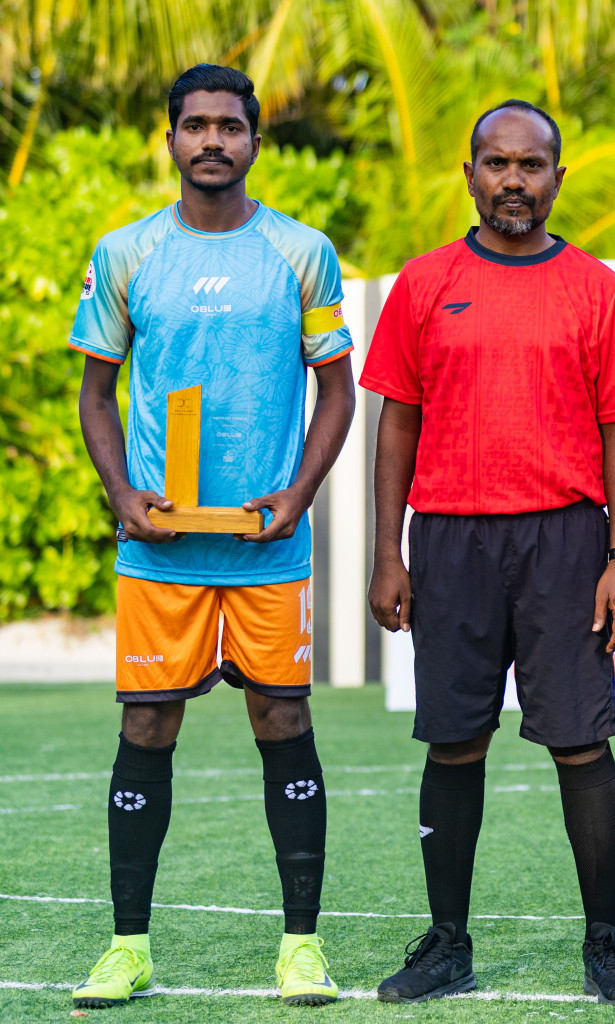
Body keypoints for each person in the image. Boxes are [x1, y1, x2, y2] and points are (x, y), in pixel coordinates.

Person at [69, 64, 355, 1008]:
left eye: (229, 126)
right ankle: (127, 947)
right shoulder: (124, 253)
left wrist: (300, 491)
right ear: (170, 139)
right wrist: (121, 492)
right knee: (146, 724)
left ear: (254, 142)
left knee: (284, 720)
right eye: (194, 125)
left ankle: (301, 947)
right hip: (161, 548)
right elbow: (96, 393)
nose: (211, 142)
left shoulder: (303, 252)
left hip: (267, 548)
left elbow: (338, 390)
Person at [361, 99, 615, 1006]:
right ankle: (447, 941)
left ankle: (604, 940)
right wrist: (387, 551)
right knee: (454, 744)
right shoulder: (422, 283)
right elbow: (395, 424)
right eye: (497, 163)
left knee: (580, 742)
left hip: (566, 541)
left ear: (558, 178)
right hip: (448, 538)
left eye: (532, 166)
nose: (514, 182)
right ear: (470, 174)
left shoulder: (594, 287)